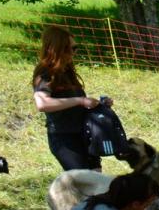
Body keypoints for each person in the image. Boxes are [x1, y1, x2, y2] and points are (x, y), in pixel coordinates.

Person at [32, 26, 106, 171]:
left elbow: (75, 104)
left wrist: (98, 104)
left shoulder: (67, 71)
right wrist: (80, 100)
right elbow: (42, 103)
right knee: (84, 181)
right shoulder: (45, 73)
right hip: (64, 138)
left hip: (84, 134)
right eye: (68, 49)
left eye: (75, 48)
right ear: (55, 49)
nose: (73, 53)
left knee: (96, 178)